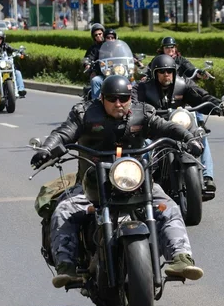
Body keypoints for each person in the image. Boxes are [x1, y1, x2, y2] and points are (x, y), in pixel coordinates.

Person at [30, 75, 205, 288]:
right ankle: (67, 267)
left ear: (130, 98)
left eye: (123, 98)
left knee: (169, 208)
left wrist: (189, 138)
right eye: (112, 98)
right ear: (102, 98)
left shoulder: (143, 113)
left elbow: (166, 127)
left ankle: (180, 258)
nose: (118, 103)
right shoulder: (85, 114)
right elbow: (64, 133)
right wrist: (48, 148)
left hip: (136, 181)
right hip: (93, 184)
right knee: (64, 211)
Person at [132, 54, 224, 193]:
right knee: (144, 146)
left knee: (200, 135)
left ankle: (207, 177)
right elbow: (134, 103)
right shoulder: (143, 88)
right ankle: (140, 182)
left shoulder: (183, 84)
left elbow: (201, 97)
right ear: (155, 73)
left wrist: (218, 106)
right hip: (154, 128)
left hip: (180, 124)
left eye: (169, 71)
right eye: (162, 71)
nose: (166, 74)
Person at [0, 29, 27, 98]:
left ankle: (21, 90)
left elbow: (12, 49)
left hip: (6, 65)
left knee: (18, 73)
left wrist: (19, 52)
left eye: (0, 38)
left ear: (3, 39)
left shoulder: (5, 46)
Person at [83, 23, 105, 100]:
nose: (98, 36)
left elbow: (123, 53)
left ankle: (133, 102)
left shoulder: (112, 45)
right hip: (101, 74)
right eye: (96, 35)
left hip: (115, 72)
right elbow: (88, 58)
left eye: (100, 34)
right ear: (93, 37)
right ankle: (95, 103)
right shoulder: (93, 48)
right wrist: (87, 64)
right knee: (95, 80)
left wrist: (135, 59)